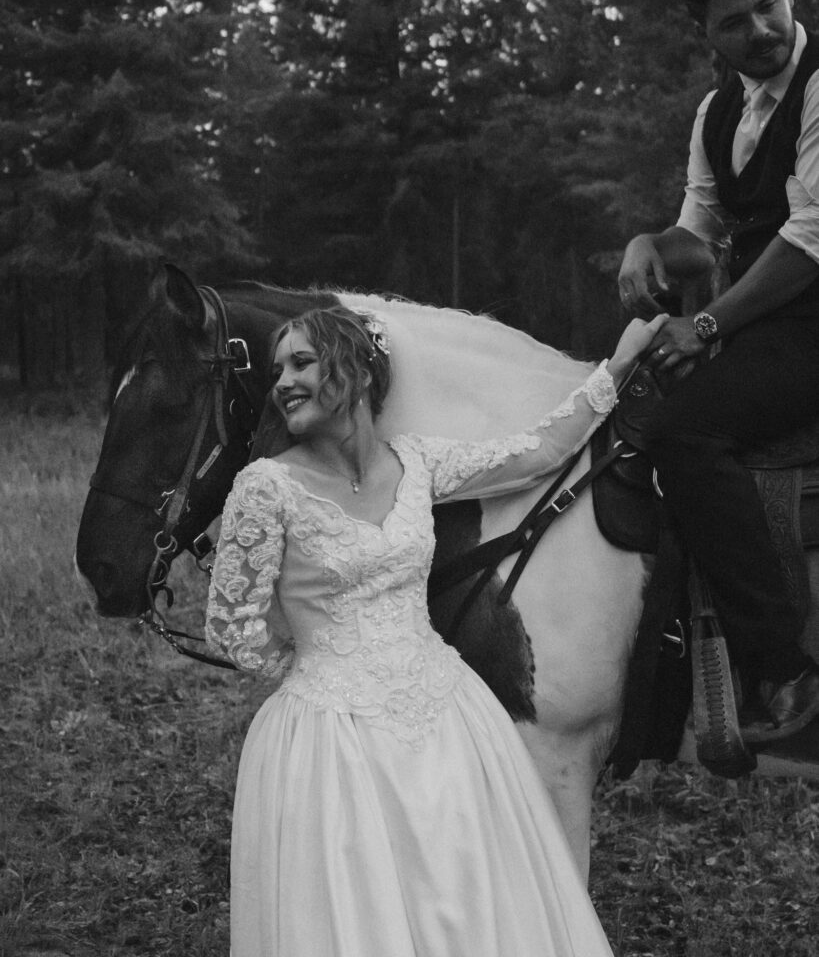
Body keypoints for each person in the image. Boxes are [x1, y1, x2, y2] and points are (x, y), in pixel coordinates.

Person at [205, 303, 665, 957]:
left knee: (462, 895)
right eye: (279, 368)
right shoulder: (264, 488)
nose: (281, 382)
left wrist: (615, 369)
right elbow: (230, 628)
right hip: (331, 733)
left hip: (447, 719)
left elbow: (535, 453)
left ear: (356, 373)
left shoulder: (416, 465)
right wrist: (328, 674)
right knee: (357, 907)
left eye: (300, 362)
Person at [617, 0, 819, 743]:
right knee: (623, 397)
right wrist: (647, 247)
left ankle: (781, 665)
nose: (761, 29)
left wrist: (704, 324)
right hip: (771, 320)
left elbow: (810, 236)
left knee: (685, 430)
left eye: (768, 5)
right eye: (735, 21)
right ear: (706, 33)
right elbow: (696, 231)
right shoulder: (718, 112)